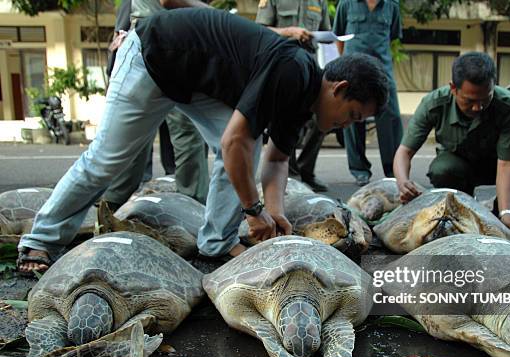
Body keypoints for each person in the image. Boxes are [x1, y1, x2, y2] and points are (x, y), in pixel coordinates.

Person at [17, 8, 389, 273]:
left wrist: (274, 214)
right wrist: (253, 210)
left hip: (195, 82)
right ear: (338, 89)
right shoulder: (293, 69)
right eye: (353, 115)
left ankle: (217, 241)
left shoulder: (302, 100)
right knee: (108, 159)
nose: (346, 126)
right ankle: (41, 237)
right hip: (154, 55)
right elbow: (233, 142)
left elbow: (276, 161)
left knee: (248, 148)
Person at [393, 52, 510, 236]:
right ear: (453, 88)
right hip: (459, 169)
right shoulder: (434, 104)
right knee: (442, 168)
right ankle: (462, 210)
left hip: (497, 165)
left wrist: (505, 211)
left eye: (485, 98)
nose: (478, 107)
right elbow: (404, 152)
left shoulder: (508, 105)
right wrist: (402, 182)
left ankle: (507, 214)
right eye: (470, 101)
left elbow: (506, 164)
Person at [102, 0, 211, 208]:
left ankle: (112, 204)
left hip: (163, 36)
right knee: (176, 133)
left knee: (140, 133)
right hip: (160, 37)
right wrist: (214, 15)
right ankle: (194, 205)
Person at [256, 0, 331, 191]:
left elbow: (327, 34)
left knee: (321, 119)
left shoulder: (319, 2)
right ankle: (291, 175)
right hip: (283, 65)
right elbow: (260, 30)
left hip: (311, 68)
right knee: (285, 119)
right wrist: (289, 31)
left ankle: (306, 169)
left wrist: (321, 36)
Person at [333, 0, 403, 186]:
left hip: (383, 70)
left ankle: (392, 170)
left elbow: (392, 36)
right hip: (353, 70)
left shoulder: (392, 5)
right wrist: (344, 62)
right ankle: (360, 170)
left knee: (391, 116)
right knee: (353, 116)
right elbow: (339, 36)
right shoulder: (346, 3)